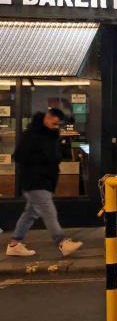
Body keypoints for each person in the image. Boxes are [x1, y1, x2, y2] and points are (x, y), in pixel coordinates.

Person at [6, 109, 83, 258]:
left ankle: (14, 244)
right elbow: (19, 156)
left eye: (57, 124)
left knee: (30, 213)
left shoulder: (51, 135)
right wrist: (42, 164)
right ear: (47, 118)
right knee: (48, 210)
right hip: (35, 180)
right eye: (54, 123)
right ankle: (62, 243)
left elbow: (54, 156)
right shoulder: (31, 134)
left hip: (45, 180)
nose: (55, 126)